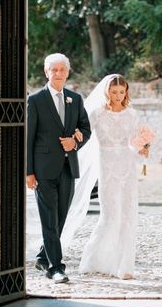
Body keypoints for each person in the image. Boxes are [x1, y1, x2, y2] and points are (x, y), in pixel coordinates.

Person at [63, 73, 151, 280]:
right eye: (114, 92)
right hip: (107, 165)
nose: (118, 95)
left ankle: (124, 266)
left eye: (122, 92)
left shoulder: (132, 114)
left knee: (128, 215)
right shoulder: (96, 113)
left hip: (127, 165)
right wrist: (71, 142)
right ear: (107, 92)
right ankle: (94, 260)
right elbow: (82, 133)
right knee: (110, 216)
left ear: (126, 92)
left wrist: (143, 148)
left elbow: (135, 142)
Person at [26, 53, 91, 283]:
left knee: (61, 217)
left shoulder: (76, 98)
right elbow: (29, 138)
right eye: (54, 69)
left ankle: (44, 257)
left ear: (68, 72)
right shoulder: (35, 100)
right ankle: (55, 267)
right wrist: (29, 171)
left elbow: (86, 128)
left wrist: (76, 142)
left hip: (68, 168)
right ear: (46, 72)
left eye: (62, 69)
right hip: (43, 170)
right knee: (49, 219)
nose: (58, 73)